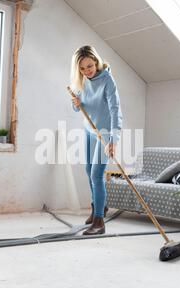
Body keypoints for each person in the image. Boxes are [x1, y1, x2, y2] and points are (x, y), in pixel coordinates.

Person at [70, 45, 123, 235]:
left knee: (96, 175)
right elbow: (78, 107)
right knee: (87, 169)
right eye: (82, 68)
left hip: (105, 133)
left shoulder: (107, 79)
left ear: (96, 62)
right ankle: (98, 209)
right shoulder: (82, 79)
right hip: (89, 129)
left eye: (90, 66)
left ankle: (99, 222)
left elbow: (115, 110)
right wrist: (76, 104)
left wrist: (113, 139)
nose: (87, 71)